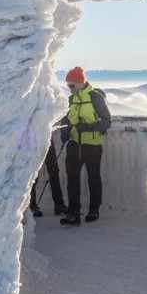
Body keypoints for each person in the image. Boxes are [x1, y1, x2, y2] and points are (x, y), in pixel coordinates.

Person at [59, 67, 111, 226]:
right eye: (68, 85)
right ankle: (73, 213)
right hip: (75, 143)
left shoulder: (96, 98)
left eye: (72, 85)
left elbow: (106, 122)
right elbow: (66, 118)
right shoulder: (71, 99)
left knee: (93, 177)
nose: (70, 88)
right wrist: (65, 131)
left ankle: (94, 209)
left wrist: (88, 127)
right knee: (72, 178)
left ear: (81, 83)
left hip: (92, 145)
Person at [29, 136, 68, 217]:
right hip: (33, 139)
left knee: (54, 171)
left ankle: (59, 205)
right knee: (33, 173)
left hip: (47, 137)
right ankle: (31, 205)